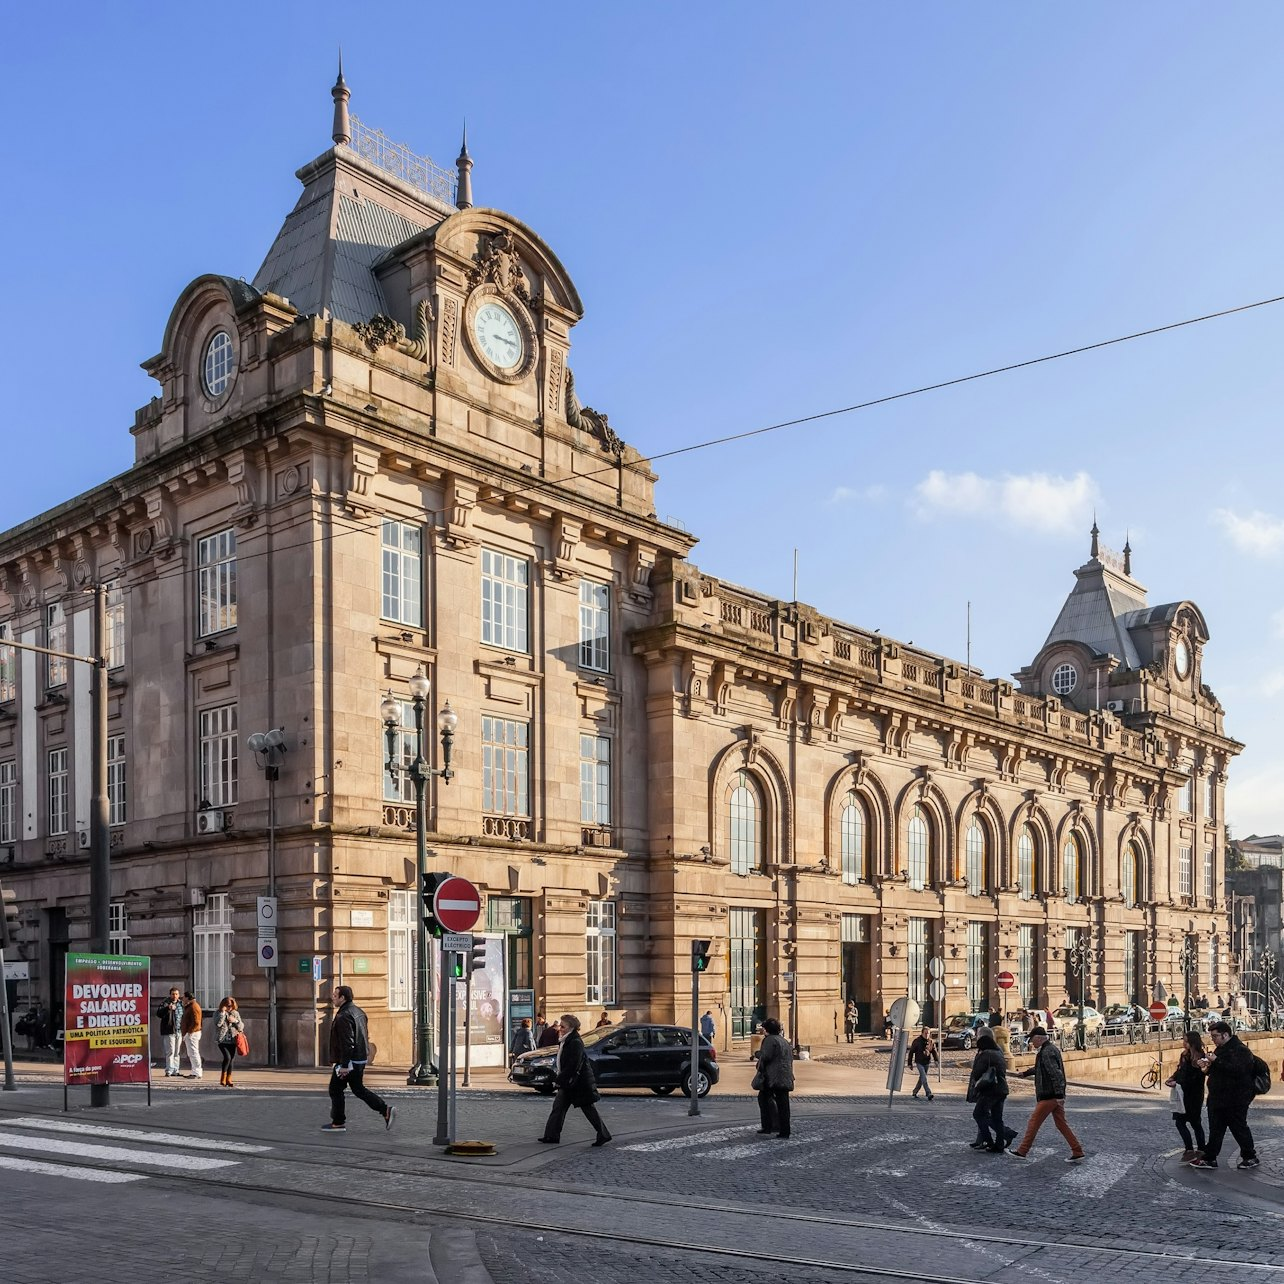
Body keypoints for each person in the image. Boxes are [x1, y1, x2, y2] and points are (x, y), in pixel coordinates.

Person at [322, 985, 395, 1133]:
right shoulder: (358, 1012)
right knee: (357, 1089)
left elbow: (347, 1042)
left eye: (335, 996)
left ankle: (338, 1122)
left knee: (335, 1089)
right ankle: (385, 1110)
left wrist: (344, 1065)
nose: (333, 998)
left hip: (349, 1061)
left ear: (343, 998)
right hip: (359, 1058)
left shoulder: (343, 1016)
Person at [1188, 1020, 1259, 1170]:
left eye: (1215, 1036)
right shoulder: (1220, 1049)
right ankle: (1210, 1158)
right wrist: (1206, 1067)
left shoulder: (1240, 1050)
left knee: (1239, 1128)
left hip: (1235, 1099)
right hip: (1218, 1098)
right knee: (1216, 1130)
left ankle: (1250, 1157)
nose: (1213, 1039)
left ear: (1225, 1035)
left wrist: (1216, 1061)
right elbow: (1217, 1072)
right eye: (1212, 1036)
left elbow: (1238, 1071)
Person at [1007, 1027, 1085, 1162]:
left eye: (1032, 1039)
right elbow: (1042, 1068)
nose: (1031, 1042)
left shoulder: (1046, 1052)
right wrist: (1025, 1073)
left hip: (1049, 1095)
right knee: (1061, 1124)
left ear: (1038, 1038)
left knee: (1034, 1122)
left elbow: (1056, 1074)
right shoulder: (1049, 1049)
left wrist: (1059, 1095)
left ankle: (1022, 1151)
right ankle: (1077, 1151)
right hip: (1054, 1095)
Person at [539, 1014, 611, 1146]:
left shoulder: (575, 1042)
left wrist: (560, 1079)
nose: (560, 1028)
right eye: (560, 1026)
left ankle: (603, 1134)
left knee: (588, 1108)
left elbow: (573, 1064)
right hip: (570, 1082)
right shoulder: (566, 1040)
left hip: (578, 1082)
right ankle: (551, 1135)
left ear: (570, 1028)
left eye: (563, 1026)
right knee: (558, 1108)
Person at [967, 1029, 1015, 1152]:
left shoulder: (985, 1054)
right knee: (997, 1118)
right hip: (1002, 1089)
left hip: (990, 1090)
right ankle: (999, 1145)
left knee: (979, 1114)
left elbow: (977, 1073)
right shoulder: (998, 1052)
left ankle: (989, 1140)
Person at [1164, 1029, 1207, 1162]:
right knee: (1180, 1122)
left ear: (1192, 1043)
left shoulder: (1200, 1057)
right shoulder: (1184, 1055)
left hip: (1193, 1095)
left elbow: (1196, 1078)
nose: (1184, 1043)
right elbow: (1180, 1071)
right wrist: (1172, 1078)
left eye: (1186, 1041)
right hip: (1182, 1094)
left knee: (1195, 1123)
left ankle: (1199, 1150)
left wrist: (1178, 1082)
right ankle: (1190, 1149)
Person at [755, 1016, 795, 1138]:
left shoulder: (769, 1040)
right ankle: (784, 1130)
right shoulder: (784, 1041)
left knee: (764, 1099)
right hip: (785, 1075)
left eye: (764, 1029)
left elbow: (766, 1056)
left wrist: (757, 1054)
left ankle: (769, 1126)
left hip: (773, 1076)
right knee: (783, 1104)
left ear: (767, 1029)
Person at [215, 996, 244, 1088]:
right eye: (228, 1006)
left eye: (231, 1006)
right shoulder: (218, 1013)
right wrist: (223, 1014)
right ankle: (223, 1078)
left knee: (231, 1059)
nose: (230, 1008)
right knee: (227, 1057)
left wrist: (235, 1021)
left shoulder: (235, 1013)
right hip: (222, 1040)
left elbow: (241, 1026)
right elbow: (218, 1024)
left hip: (233, 1039)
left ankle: (229, 1079)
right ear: (223, 1005)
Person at [155, 987, 184, 1076]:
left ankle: (176, 1070)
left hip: (179, 1031)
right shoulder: (165, 1003)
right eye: (173, 994)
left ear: (179, 995)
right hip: (169, 1030)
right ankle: (169, 1070)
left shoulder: (181, 1004)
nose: (174, 996)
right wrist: (168, 1008)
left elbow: (183, 1016)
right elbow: (158, 1013)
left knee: (177, 1052)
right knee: (170, 1051)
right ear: (170, 995)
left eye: (176, 994)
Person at [907, 1026, 938, 1100]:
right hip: (919, 1062)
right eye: (925, 1033)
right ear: (922, 1033)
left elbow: (934, 1051)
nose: (927, 1035)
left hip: (927, 1062)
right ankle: (928, 1093)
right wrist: (909, 1063)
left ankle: (915, 1091)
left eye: (928, 1033)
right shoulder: (917, 1041)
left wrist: (936, 1060)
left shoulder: (931, 1041)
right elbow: (911, 1052)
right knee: (924, 1077)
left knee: (922, 1078)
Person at [181, 991, 204, 1079]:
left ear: (187, 998)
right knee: (191, 1053)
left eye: (184, 997)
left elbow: (196, 1022)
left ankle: (197, 1072)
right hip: (191, 1032)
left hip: (192, 1033)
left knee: (193, 1053)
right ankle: (195, 1071)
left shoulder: (193, 1007)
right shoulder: (190, 1006)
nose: (183, 999)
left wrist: (189, 1032)